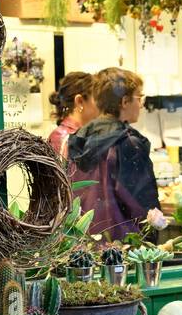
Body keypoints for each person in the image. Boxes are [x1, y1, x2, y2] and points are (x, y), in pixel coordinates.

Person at [68, 67, 159, 239]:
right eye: (139, 97)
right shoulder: (128, 143)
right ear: (124, 101)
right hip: (122, 247)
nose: (141, 104)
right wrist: (151, 236)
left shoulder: (77, 139)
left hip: (83, 243)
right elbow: (141, 204)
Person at [46, 72, 99, 160]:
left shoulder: (82, 134)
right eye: (97, 98)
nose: (101, 104)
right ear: (80, 101)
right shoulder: (65, 139)